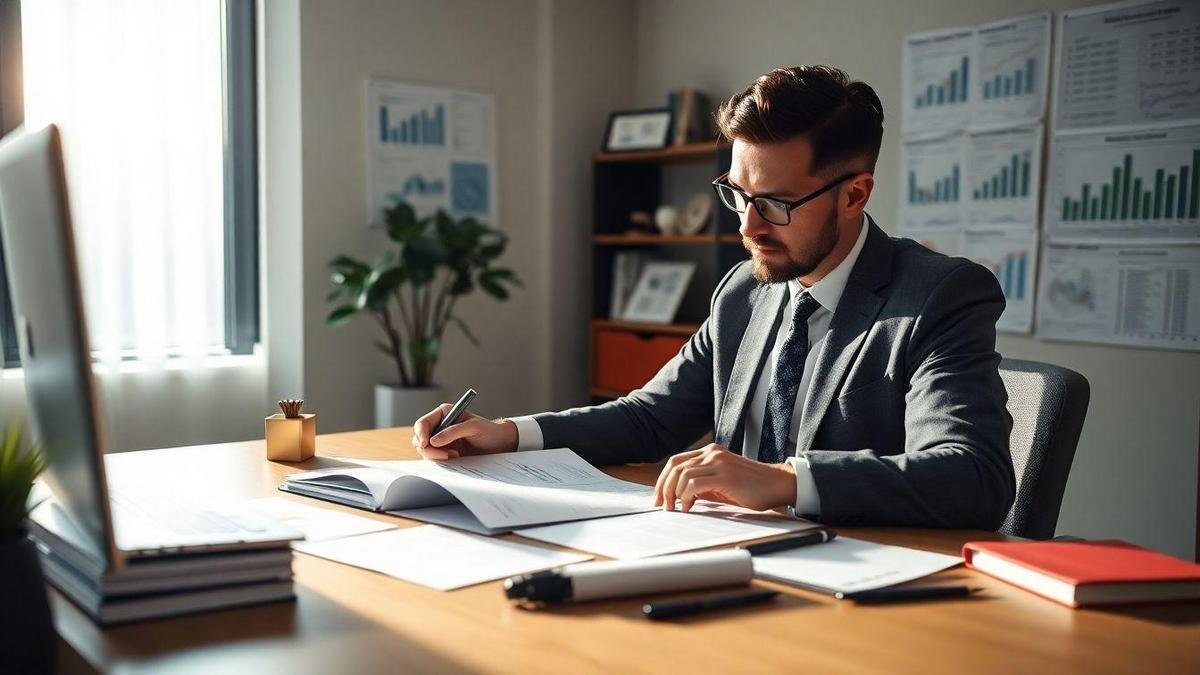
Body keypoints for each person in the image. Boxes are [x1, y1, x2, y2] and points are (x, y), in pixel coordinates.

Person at [413, 65, 1015, 530]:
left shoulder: (939, 295)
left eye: (775, 204)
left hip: (861, 593)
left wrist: (784, 481)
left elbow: (973, 475)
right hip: (731, 564)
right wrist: (508, 435)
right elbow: (651, 417)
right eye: (737, 194)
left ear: (855, 195)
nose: (748, 227)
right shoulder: (744, 293)